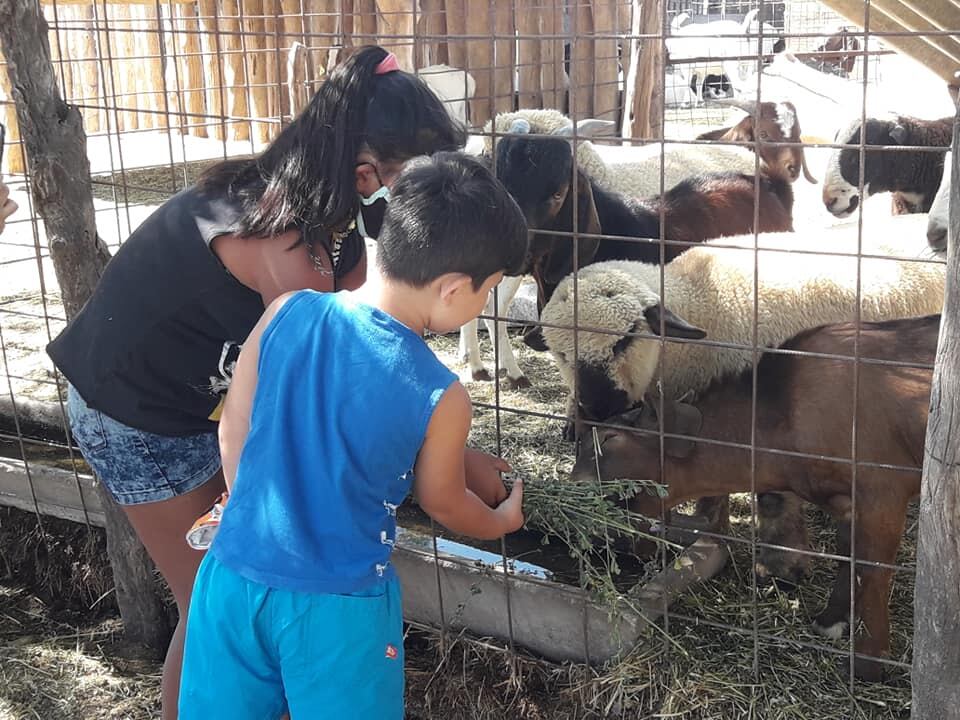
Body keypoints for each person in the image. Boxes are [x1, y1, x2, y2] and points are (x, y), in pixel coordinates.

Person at [45, 46, 510, 720]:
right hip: (137, 410)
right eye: (419, 170)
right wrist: (458, 462)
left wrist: (456, 451)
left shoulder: (336, 230)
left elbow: (378, 354)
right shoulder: (287, 242)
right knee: (210, 591)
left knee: (246, 586)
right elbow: (335, 378)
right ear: (365, 168)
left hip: (206, 403)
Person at [178, 151, 527, 719]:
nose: (483, 302)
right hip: (338, 606)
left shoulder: (286, 312)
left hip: (232, 575)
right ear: (453, 289)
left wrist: (251, 510)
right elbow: (442, 500)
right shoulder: (441, 394)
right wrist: (501, 521)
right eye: (487, 290)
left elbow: (235, 428)